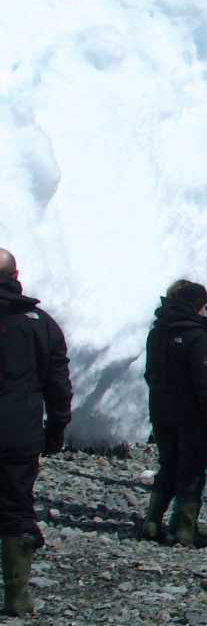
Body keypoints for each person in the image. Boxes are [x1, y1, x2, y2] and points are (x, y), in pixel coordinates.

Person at [0, 249, 70, 616]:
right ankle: (16, 593)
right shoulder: (40, 322)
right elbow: (57, 381)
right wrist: (56, 427)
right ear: (16, 275)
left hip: (18, 427)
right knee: (15, 506)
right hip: (18, 429)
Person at [141, 279, 207, 548]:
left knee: (168, 465)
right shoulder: (198, 336)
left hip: (162, 411)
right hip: (193, 416)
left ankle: (153, 521)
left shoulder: (158, 332)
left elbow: (150, 374)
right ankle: (185, 528)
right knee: (193, 470)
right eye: (204, 306)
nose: (205, 311)